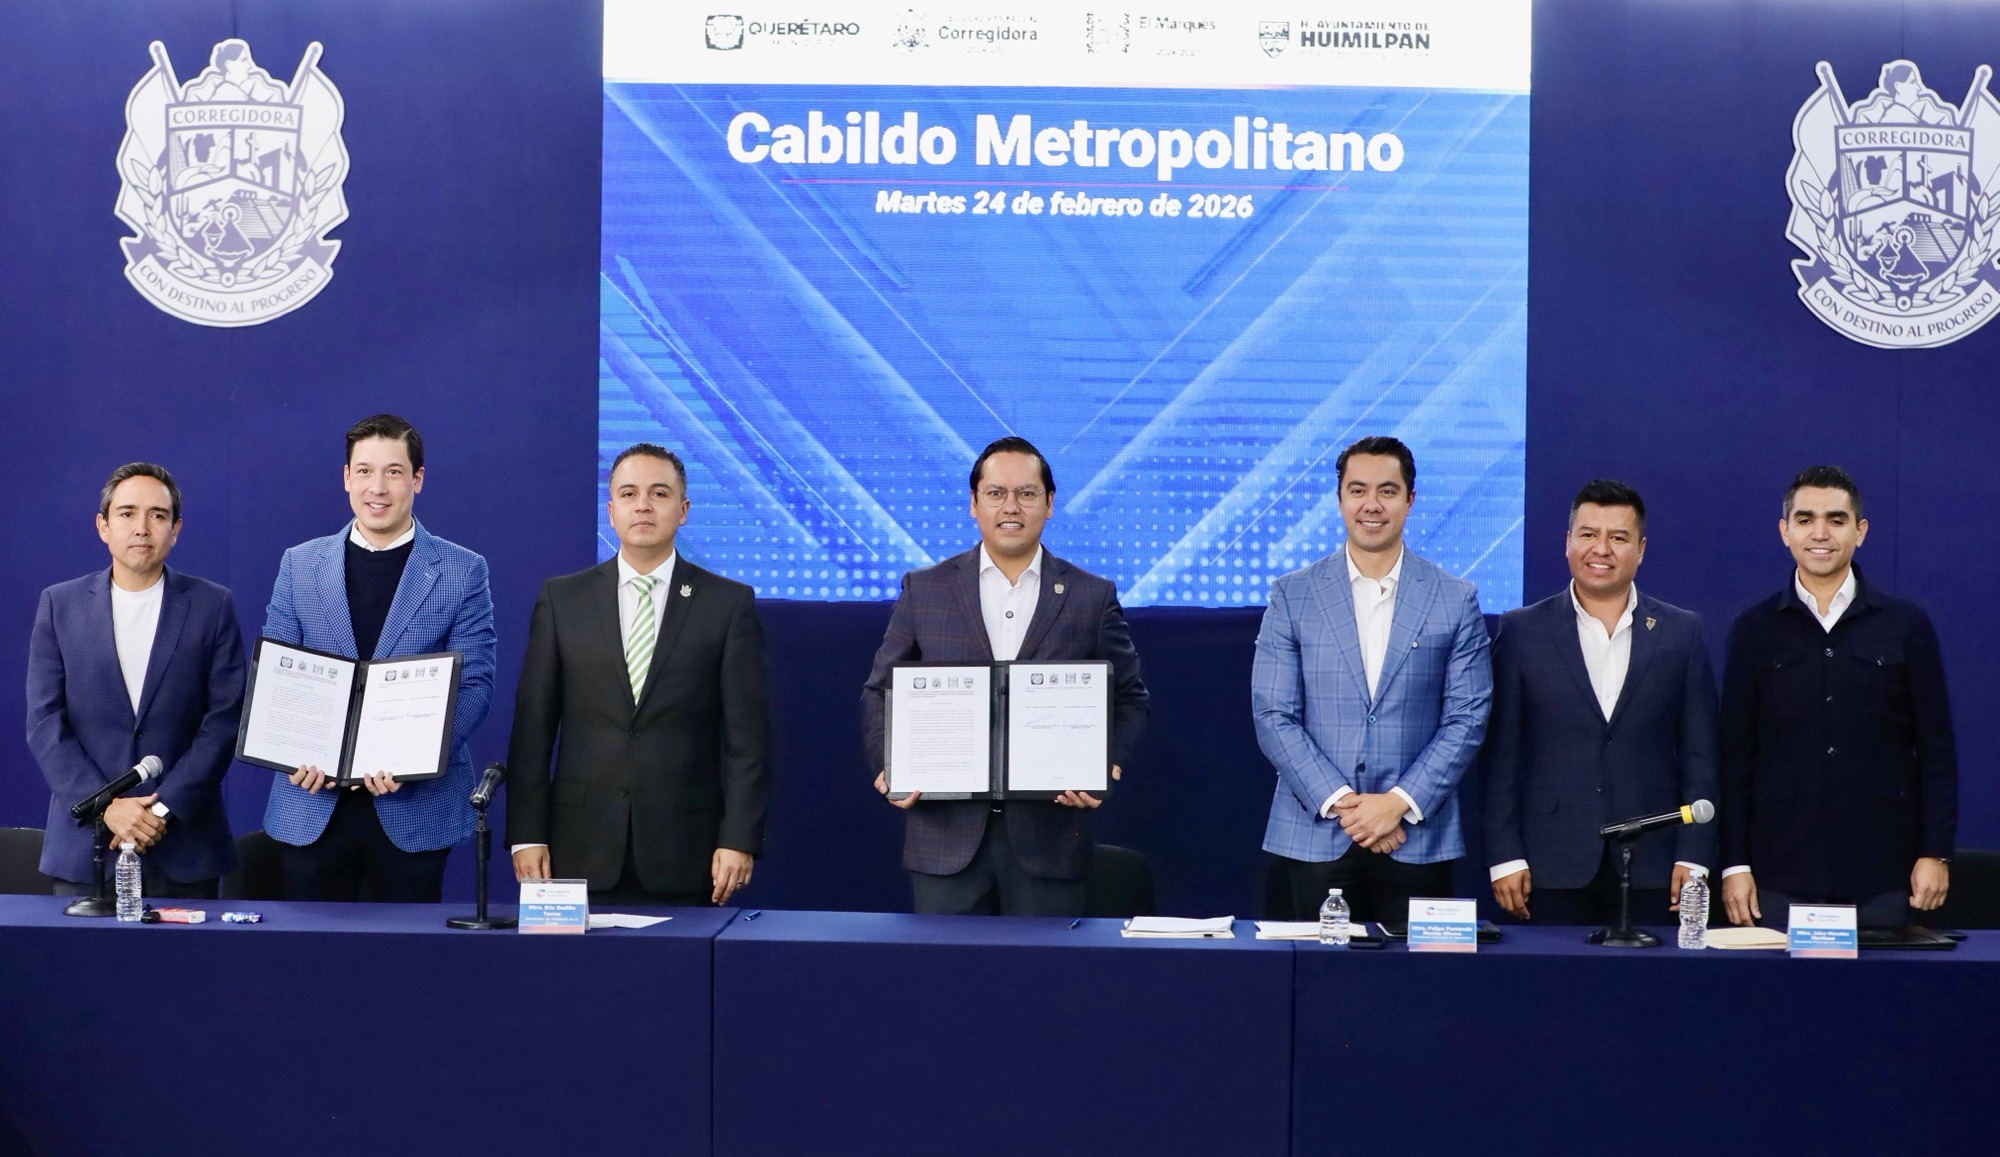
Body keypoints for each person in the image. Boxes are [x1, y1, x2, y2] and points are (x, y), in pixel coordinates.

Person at [862, 436, 1149, 916]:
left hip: (1051, 838)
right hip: (944, 840)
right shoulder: (925, 589)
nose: (1011, 507)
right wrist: (888, 765)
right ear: (974, 504)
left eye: (1027, 493)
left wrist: (1106, 763)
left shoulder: (1090, 596)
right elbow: (880, 691)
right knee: (947, 966)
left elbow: (1129, 697)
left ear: (1049, 503)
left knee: (1046, 967)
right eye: (995, 493)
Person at [506, 444, 770, 906]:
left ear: (683, 510)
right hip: (577, 849)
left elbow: (748, 739)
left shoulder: (727, 604)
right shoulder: (563, 600)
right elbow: (533, 730)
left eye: (659, 493)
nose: (643, 505)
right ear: (611, 512)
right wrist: (527, 835)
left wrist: (739, 837)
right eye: (629, 494)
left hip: (689, 851)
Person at [1253, 435, 1492, 924]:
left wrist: (1397, 804)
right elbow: (1273, 714)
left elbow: (1467, 718)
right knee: (1314, 974)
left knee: (1419, 975)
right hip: (1314, 836)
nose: (1372, 505)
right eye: (1358, 490)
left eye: (1388, 491)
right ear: (1340, 498)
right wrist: (1349, 807)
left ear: (1410, 500)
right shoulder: (1293, 595)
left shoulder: (1454, 598)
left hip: (1417, 839)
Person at [261, 415, 496, 902]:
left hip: (414, 806)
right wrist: (292, 752)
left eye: (393, 472)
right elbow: (275, 678)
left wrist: (414, 759)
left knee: (407, 948)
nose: (378, 487)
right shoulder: (299, 564)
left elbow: (475, 685)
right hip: (311, 802)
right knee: (308, 946)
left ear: (417, 479)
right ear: (347, 478)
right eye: (365, 471)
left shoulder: (462, 570)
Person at [1720, 465, 1955, 928]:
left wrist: (1936, 852)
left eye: (1836, 519)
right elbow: (1734, 757)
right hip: (1777, 875)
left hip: (1885, 875)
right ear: (1785, 531)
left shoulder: (1906, 626)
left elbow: (1937, 752)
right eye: (1805, 519)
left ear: (1860, 531)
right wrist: (1734, 865)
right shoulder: (1754, 630)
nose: (1820, 533)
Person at [1483, 480, 1719, 927]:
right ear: (1568, 542)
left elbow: (1700, 757)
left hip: (1655, 866)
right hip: (1547, 864)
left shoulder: (1681, 632)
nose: (1601, 549)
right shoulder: (1521, 631)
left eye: (1618, 537)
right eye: (1588, 534)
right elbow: (1500, 758)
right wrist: (1504, 855)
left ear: (1641, 549)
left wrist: (1694, 855)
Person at [27, 463, 245, 899]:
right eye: (127, 513)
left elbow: (225, 720)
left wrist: (161, 810)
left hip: (184, 845)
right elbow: (45, 722)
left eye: (157, 515)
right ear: (103, 526)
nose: (142, 527)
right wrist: (106, 806)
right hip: (87, 848)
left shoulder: (211, 605)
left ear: (175, 529)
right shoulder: (60, 605)